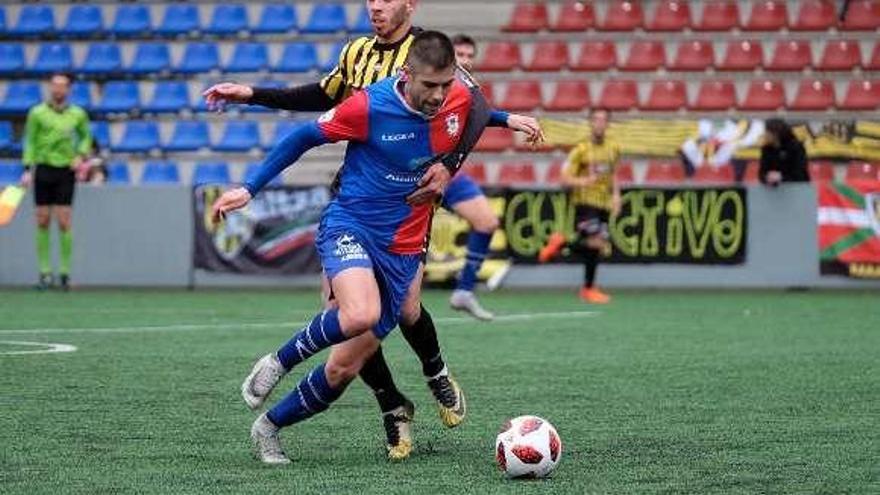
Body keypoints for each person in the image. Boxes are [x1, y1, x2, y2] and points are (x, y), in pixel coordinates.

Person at [203, 0, 542, 460]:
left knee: (380, 333)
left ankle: (280, 422)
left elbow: (478, 111)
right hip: (353, 216)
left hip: (404, 234)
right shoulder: (366, 88)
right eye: (431, 86)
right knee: (354, 318)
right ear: (406, 76)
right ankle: (296, 369)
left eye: (446, 85)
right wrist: (249, 185)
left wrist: (449, 165)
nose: (441, 96)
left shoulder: (445, 77)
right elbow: (309, 121)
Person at [538, 108, 621, 304]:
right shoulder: (580, 150)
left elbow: (614, 174)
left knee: (595, 249)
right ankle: (587, 285)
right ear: (591, 123)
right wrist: (585, 181)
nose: (600, 124)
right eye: (596, 120)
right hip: (584, 202)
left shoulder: (613, 148)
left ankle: (587, 287)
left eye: (603, 120)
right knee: (597, 243)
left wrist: (617, 196)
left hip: (603, 203)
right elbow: (563, 178)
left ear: (607, 124)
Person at [20, 72, 92, 291]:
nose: (57, 89)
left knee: (64, 220)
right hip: (43, 169)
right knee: (42, 219)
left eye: (62, 86)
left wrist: (80, 155)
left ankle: (64, 274)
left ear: (68, 89)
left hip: (65, 171)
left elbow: (86, 137)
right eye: (54, 85)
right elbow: (30, 141)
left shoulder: (78, 114)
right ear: (50, 87)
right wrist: (27, 168)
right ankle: (44, 273)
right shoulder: (37, 113)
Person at [760, 119, 810, 186]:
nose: (764, 135)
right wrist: (766, 178)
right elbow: (762, 173)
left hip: (797, 189)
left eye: (767, 132)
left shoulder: (796, 148)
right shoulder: (766, 149)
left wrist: (781, 177)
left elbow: (800, 174)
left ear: (776, 134)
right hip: (774, 190)